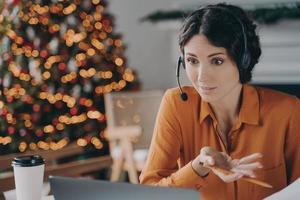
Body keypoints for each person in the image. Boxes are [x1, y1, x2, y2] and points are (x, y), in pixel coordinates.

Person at [139, 3, 300, 200]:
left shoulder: (288, 110)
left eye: (217, 61)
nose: (201, 77)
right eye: (192, 61)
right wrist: (199, 166)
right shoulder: (176, 104)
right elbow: (149, 193)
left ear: (244, 60)